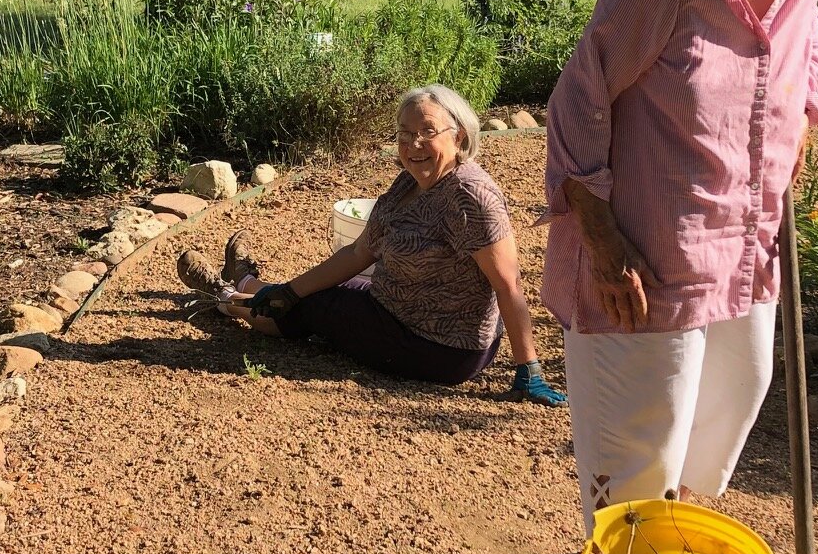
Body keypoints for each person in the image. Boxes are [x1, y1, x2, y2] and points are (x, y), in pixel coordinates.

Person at [543, 0, 818, 530]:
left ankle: (672, 534)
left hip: (747, 239)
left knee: (736, 395)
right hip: (649, 244)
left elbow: (802, 56)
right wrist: (600, 237)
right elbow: (581, 93)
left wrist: (800, 130)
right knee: (643, 426)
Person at [178, 86, 565, 403]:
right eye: (404, 133)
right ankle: (249, 284)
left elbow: (508, 284)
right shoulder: (409, 182)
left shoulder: (471, 197)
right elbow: (360, 253)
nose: (414, 143)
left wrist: (528, 370)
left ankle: (225, 298)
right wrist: (291, 289)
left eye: (427, 131)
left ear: (459, 135)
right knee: (309, 291)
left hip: (440, 347)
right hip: (394, 305)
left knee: (314, 307)